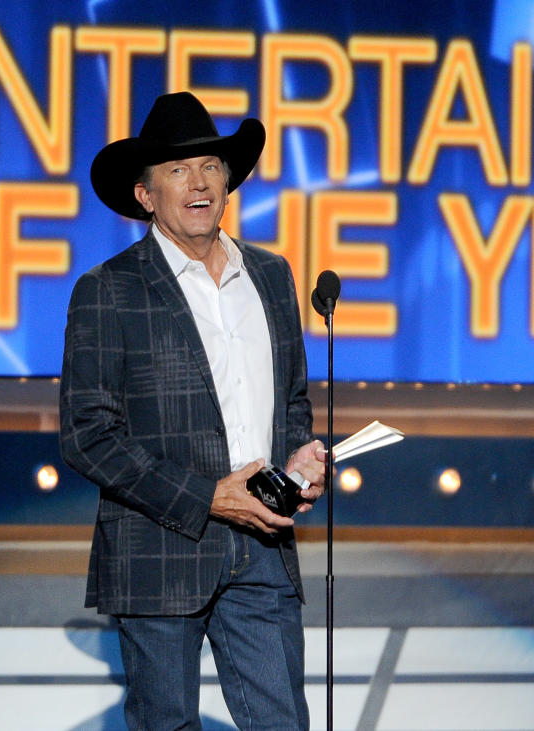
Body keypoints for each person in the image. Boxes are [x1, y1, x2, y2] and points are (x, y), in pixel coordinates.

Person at [59, 91, 325, 730]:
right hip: (159, 553)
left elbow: (290, 399)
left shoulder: (271, 275)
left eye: (210, 165)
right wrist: (207, 496)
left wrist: (298, 454)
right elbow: (87, 435)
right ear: (146, 196)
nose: (199, 182)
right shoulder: (108, 289)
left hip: (262, 543)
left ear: (229, 182)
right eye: (177, 170)